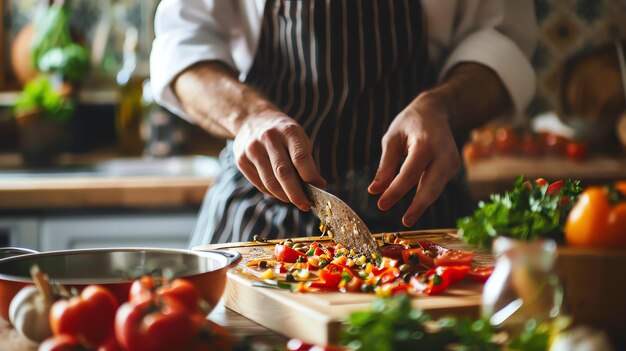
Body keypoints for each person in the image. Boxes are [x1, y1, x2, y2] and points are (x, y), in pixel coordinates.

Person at [150, 0, 537, 246]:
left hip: (420, 220)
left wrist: (444, 106)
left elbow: (502, 39)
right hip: (256, 215)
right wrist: (247, 114)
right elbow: (182, 44)